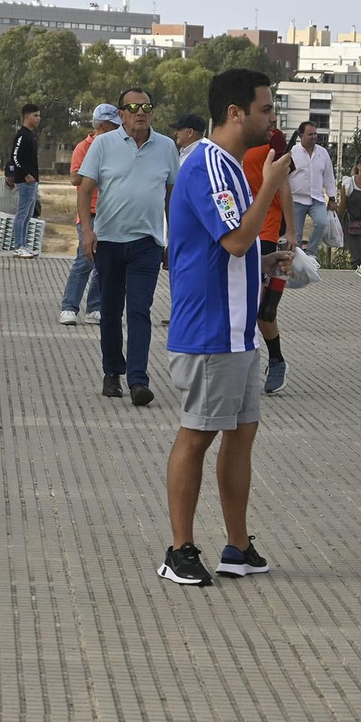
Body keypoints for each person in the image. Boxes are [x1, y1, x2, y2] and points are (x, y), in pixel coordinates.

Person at [159, 69, 293, 586]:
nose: (272, 119)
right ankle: (179, 550)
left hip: (238, 333)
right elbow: (236, 239)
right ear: (234, 112)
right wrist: (273, 185)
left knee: (241, 435)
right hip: (210, 333)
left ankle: (236, 546)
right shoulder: (209, 165)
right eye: (265, 109)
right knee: (197, 435)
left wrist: (272, 256)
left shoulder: (232, 168)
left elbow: (234, 247)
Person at [75, 88, 178, 406]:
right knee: (109, 311)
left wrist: (172, 241)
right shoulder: (103, 145)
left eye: (146, 106)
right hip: (107, 241)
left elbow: (172, 197)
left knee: (139, 311)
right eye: (132, 107)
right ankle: (111, 373)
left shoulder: (166, 147)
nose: (140, 112)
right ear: (121, 114)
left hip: (147, 243)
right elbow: (84, 189)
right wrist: (87, 232)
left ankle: (138, 380)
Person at [242, 135, 296, 395]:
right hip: (241, 227)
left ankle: (276, 360)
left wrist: (293, 233)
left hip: (269, 232)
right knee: (245, 307)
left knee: (264, 309)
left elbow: (284, 186)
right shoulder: (230, 143)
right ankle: (244, 365)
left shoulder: (273, 141)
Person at [59, 103, 119, 325]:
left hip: (111, 211)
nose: (117, 130)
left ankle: (95, 306)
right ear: (102, 126)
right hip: (90, 212)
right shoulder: (84, 147)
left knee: (104, 262)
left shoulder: (117, 147)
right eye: (114, 126)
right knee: (85, 259)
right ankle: (69, 307)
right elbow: (75, 178)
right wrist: (94, 171)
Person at [286, 121, 335, 255]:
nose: (314, 137)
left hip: (316, 198)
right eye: (310, 134)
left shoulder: (323, 153)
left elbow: (329, 176)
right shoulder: (292, 152)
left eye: (315, 134)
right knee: (296, 234)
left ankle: (311, 253)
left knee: (322, 223)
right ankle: (296, 259)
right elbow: (284, 175)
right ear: (301, 135)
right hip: (296, 199)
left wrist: (332, 198)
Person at [6, 103, 42, 258]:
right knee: (22, 214)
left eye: (39, 115)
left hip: (33, 181)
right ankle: (18, 246)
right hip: (25, 181)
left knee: (28, 215)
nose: (38, 118)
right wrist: (25, 174)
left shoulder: (32, 135)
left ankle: (24, 245)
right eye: (35, 115)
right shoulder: (22, 135)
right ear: (26, 116)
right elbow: (15, 157)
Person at [339, 154, 361, 268]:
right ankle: (355, 281)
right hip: (351, 224)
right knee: (359, 256)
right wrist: (338, 223)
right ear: (357, 165)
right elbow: (342, 205)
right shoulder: (348, 183)